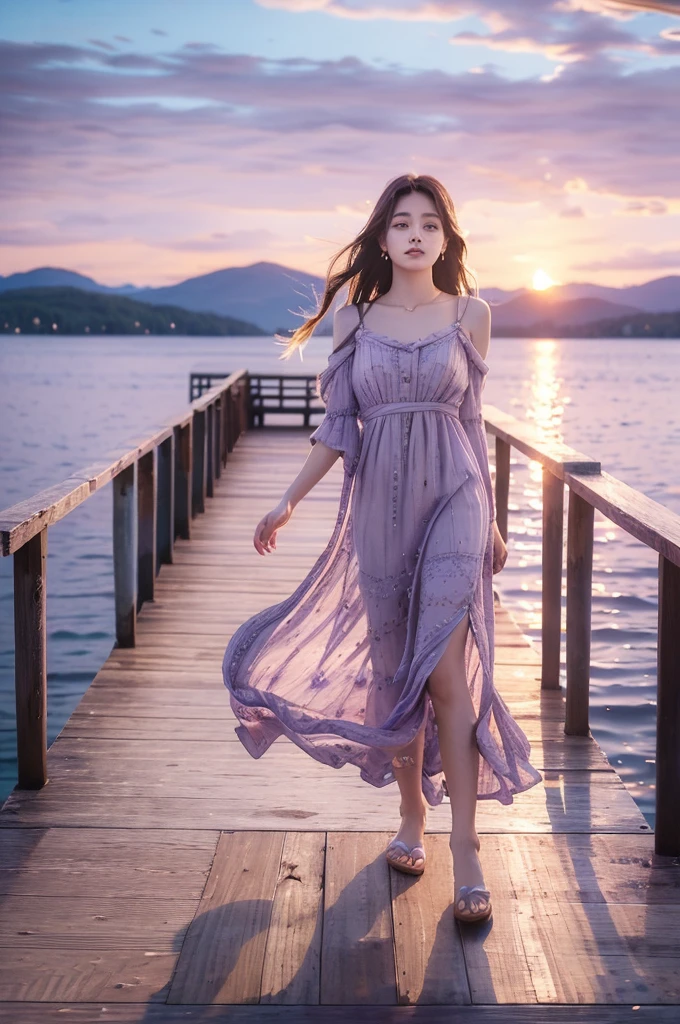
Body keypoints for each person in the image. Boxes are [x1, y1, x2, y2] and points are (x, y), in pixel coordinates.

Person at [222, 173, 542, 925]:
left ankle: (466, 849)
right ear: (383, 237)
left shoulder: (472, 314)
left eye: (430, 223)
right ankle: (411, 817)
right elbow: (339, 429)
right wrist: (288, 498)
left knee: (448, 678)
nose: (416, 235)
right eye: (402, 223)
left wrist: (491, 518)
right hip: (379, 513)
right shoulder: (355, 323)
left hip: (457, 502)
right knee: (398, 672)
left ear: (445, 238)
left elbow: (471, 421)